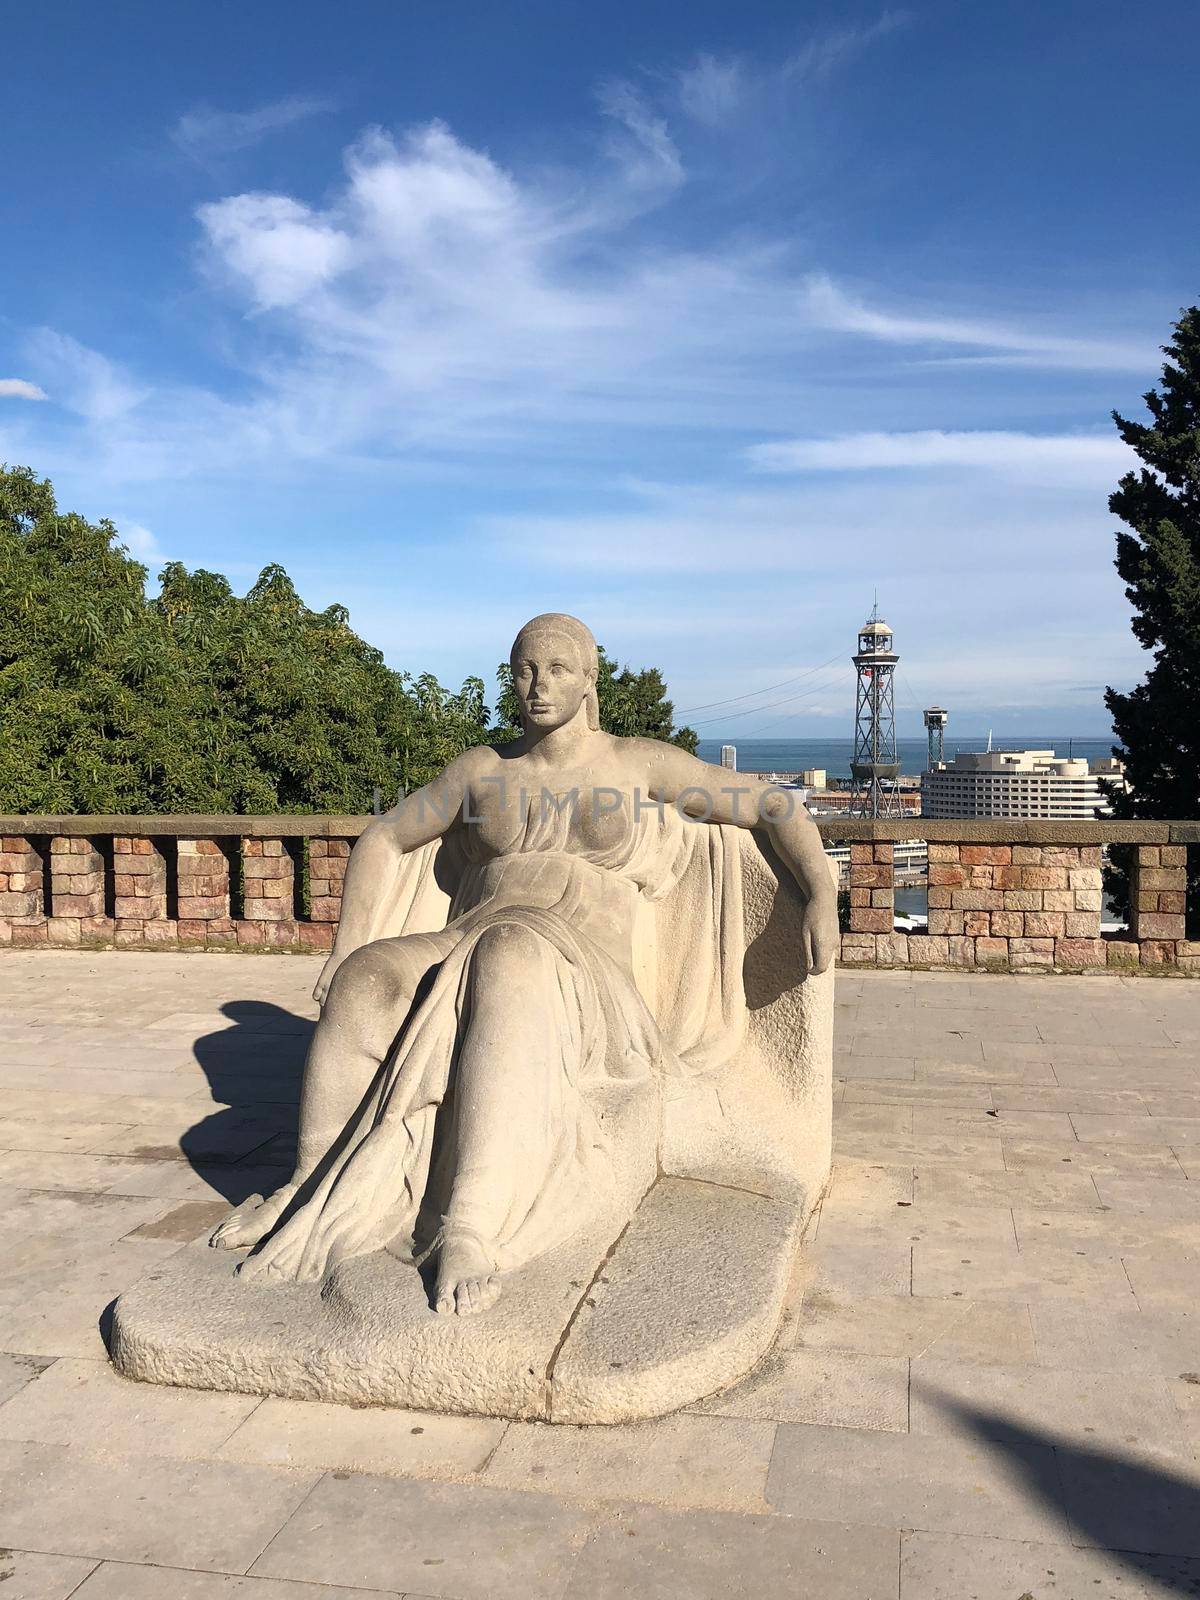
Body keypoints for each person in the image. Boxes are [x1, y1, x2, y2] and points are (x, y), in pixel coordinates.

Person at [211, 613, 837, 1314]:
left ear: (590, 680)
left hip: (583, 968)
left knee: (510, 959)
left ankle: (472, 1226)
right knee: (368, 982)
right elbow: (386, 837)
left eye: (558, 668)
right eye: (524, 668)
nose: (538, 684)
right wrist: (348, 942)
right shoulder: (484, 769)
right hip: (473, 934)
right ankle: (307, 1186)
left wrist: (819, 890)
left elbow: (770, 804)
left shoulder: (636, 762)